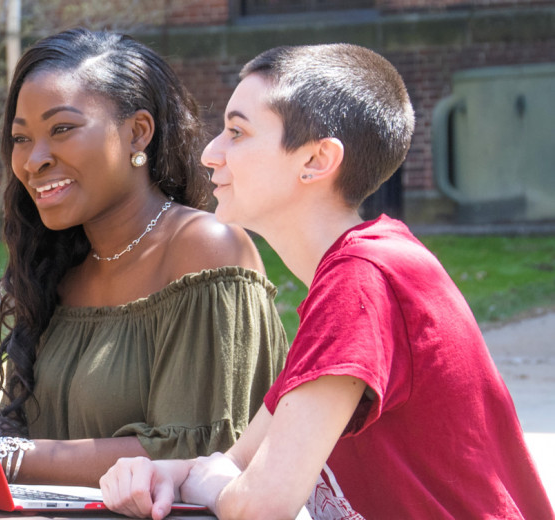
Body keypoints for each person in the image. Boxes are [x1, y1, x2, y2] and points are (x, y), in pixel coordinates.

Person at [99, 44, 554, 520]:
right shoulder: (357, 272)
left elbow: (260, 503)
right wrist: (166, 474)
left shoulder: (361, 281)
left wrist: (214, 488)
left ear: (316, 160)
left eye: (237, 132)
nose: (211, 154)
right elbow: (235, 464)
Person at [0, 29, 288, 485]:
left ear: (137, 133)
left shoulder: (207, 250)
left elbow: (196, 451)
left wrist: (0, 455)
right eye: (21, 138)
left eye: (62, 129)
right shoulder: (61, 266)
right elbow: (31, 432)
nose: (33, 160)